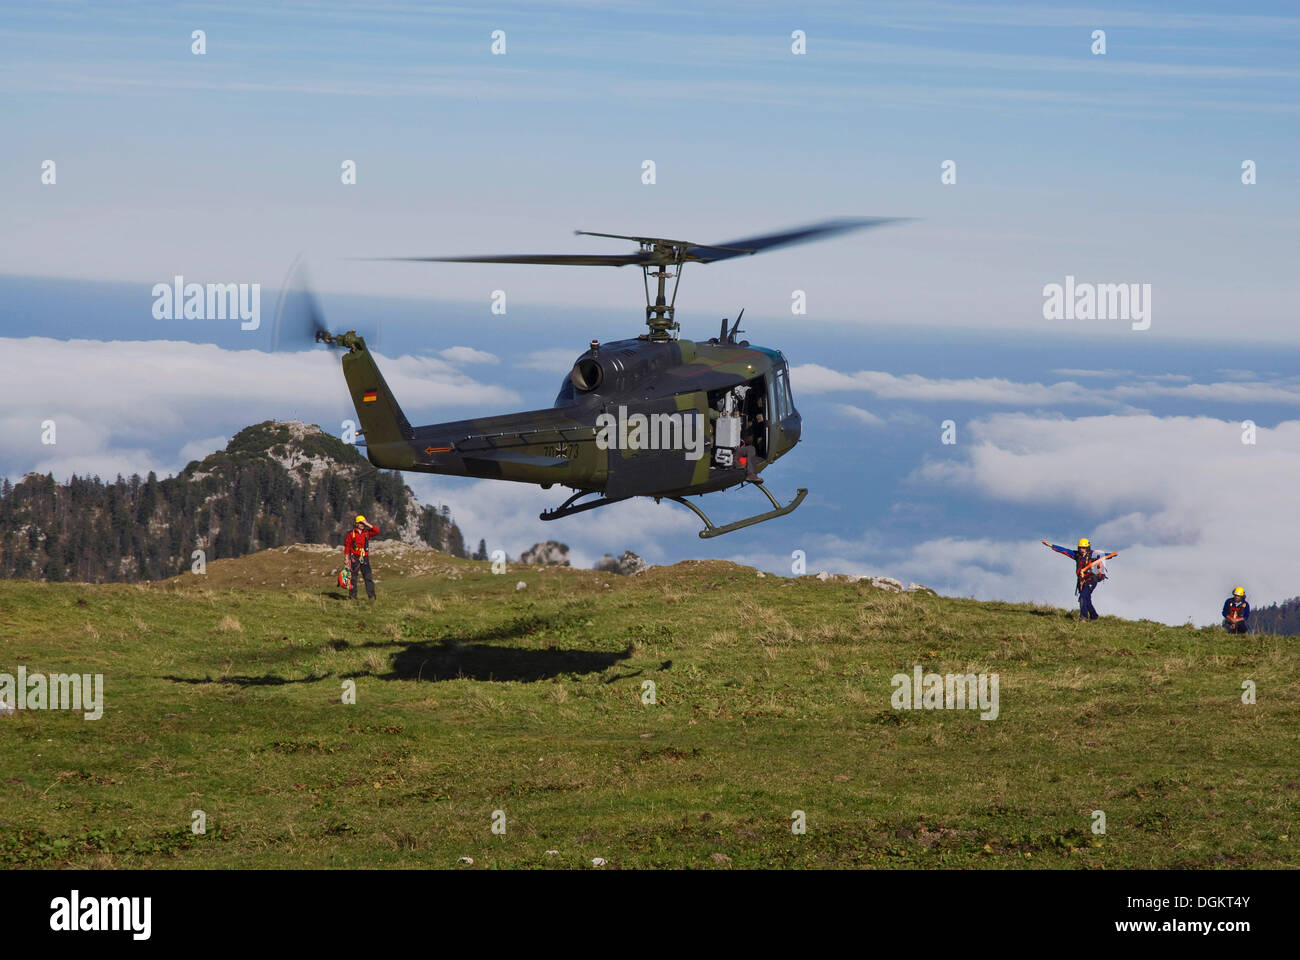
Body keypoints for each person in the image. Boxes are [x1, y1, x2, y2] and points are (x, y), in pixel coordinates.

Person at [1041, 537, 1109, 621]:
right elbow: (1064, 550)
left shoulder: (1094, 554)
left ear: (1087, 548)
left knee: (1082, 597)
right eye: (1080, 547)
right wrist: (1051, 545)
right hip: (1082, 581)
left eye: (1083, 548)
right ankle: (1094, 617)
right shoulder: (1077, 555)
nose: (1082, 549)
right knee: (1086, 599)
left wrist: (1111, 554)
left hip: (1092, 579)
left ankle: (1083, 617)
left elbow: (1105, 555)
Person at [344, 514, 380, 600]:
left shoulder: (367, 533)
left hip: (365, 557)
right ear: (356, 524)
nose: (362, 525)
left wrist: (367, 524)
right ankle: (352, 597)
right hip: (354, 557)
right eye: (360, 523)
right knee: (353, 578)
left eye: (363, 523)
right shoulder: (351, 534)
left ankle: (372, 597)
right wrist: (346, 558)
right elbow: (347, 546)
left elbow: (377, 531)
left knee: (368, 577)